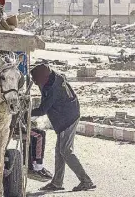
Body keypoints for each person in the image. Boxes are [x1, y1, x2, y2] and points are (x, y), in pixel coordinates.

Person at [30, 64, 96, 192]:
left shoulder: (54, 88)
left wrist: (26, 112)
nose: (36, 84)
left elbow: (43, 109)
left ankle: (86, 181)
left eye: (37, 81)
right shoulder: (53, 77)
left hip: (67, 118)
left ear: (43, 79)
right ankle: (57, 182)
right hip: (67, 114)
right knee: (59, 151)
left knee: (65, 151)